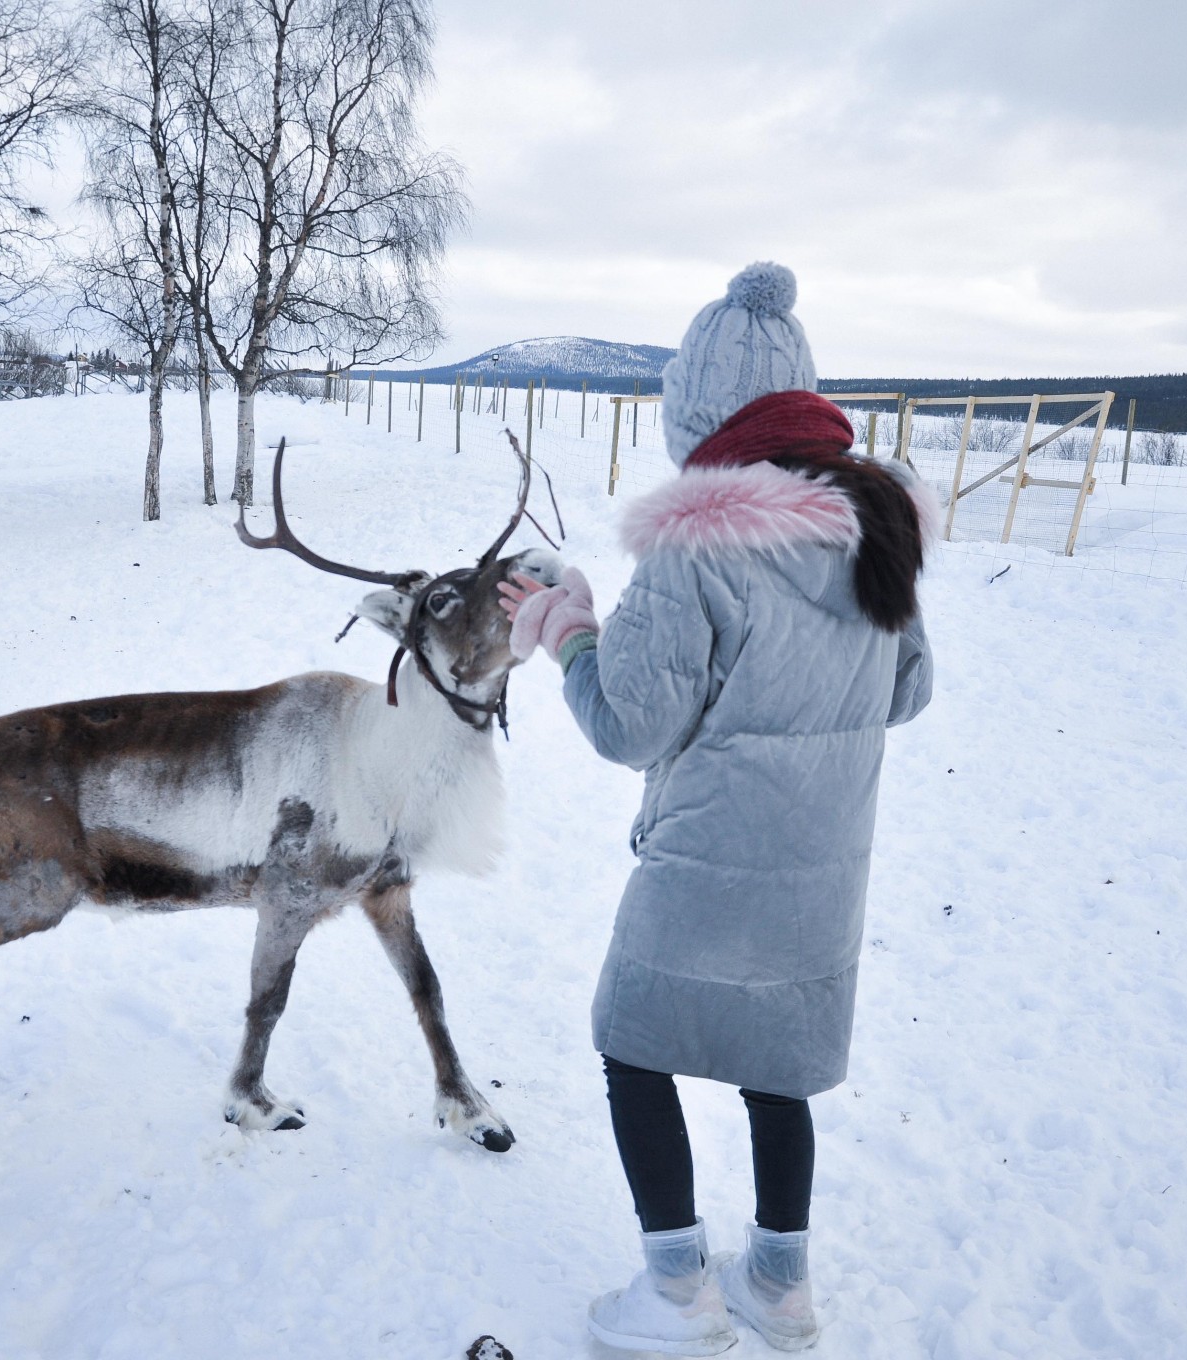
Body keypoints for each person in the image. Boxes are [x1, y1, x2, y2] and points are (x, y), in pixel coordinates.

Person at [499, 262, 934, 1354]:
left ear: (696, 415)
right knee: (772, 1067)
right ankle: (778, 1286)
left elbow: (625, 727)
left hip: (705, 867)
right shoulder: (874, 528)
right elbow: (911, 688)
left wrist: (569, 627)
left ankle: (675, 1294)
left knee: (631, 1045)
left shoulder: (695, 544)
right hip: (822, 873)